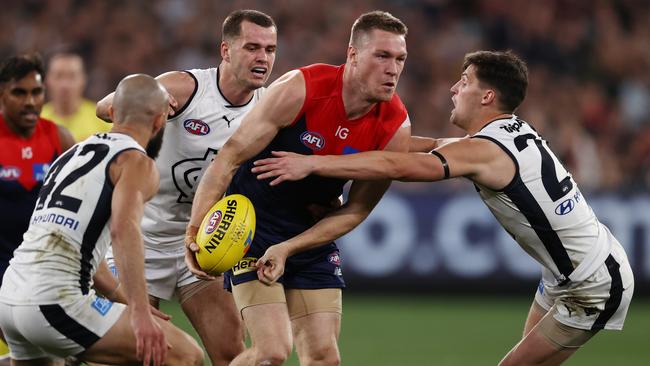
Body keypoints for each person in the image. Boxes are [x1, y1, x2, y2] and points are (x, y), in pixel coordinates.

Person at [251, 50, 635, 366]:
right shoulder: (505, 132)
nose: (454, 88)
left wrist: (314, 162)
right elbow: (430, 144)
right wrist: (357, 137)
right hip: (569, 271)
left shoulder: (486, 150)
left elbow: (398, 166)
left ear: (486, 97)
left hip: (591, 283)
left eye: (464, 81)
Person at [185, 10, 411, 366]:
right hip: (250, 231)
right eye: (382, 56)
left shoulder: (395, 126)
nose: (393, 69)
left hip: (309, 239)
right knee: (271, 354)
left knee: (324, 357)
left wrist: (289, 248)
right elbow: (228, 158)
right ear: (352, 54)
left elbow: (356, 210)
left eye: (400, 59)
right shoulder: (302, 88)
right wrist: (196, 228)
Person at [96, 9, 277, 365]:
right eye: (252, 47)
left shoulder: (270, 107)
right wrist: (152, 104)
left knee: (231, 353)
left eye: (270, 49)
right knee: (138, 354)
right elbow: (107, 107)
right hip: (139, 239)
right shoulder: (188, 87)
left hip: (203, 241)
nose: (263, 58)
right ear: (225, 51)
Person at [0, 73, 204, 366]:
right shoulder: (137, 162)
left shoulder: (70, 155)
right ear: (160, 121)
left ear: (111, 113)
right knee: (186, 356)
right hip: (54, 300)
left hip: (10, 297)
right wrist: (139, 310)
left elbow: (75, 244)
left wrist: (125, 298)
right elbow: (124, 230)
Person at [41, 51, 112, 142]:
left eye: (72, 76)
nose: (65, 85)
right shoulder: (37, 122)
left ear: (83, 80)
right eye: (59, 76)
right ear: (47, 80)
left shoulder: (102, 120)